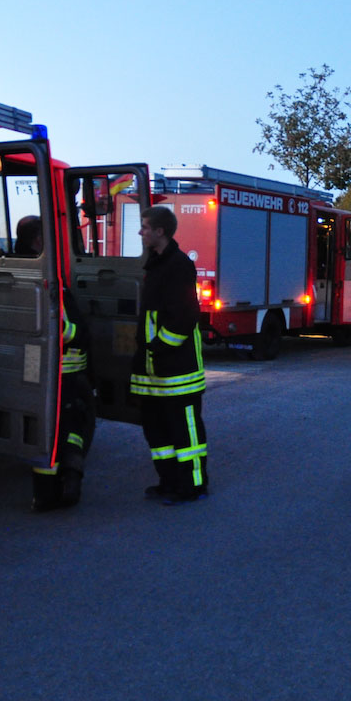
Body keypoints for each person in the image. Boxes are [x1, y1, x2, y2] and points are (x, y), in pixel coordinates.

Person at [131, 206, 209, 505]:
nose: (141, 232)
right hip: (154, 370)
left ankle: (192, 486)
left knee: (185, 432)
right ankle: (168, 481)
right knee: (157, 430)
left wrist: (158, 347)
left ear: (159, 231)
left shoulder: (178, 265)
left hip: (178, 369)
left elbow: (185, 317)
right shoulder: (156, 263)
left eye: (145, 227)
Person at [32, 290, 96, 512]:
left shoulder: (50, 295)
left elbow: (73, 333)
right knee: (70, 430)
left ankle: (47, 495)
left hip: (60, 374)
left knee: (48, 434)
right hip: (66, 375)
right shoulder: (57, 294)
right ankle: (69, 482)